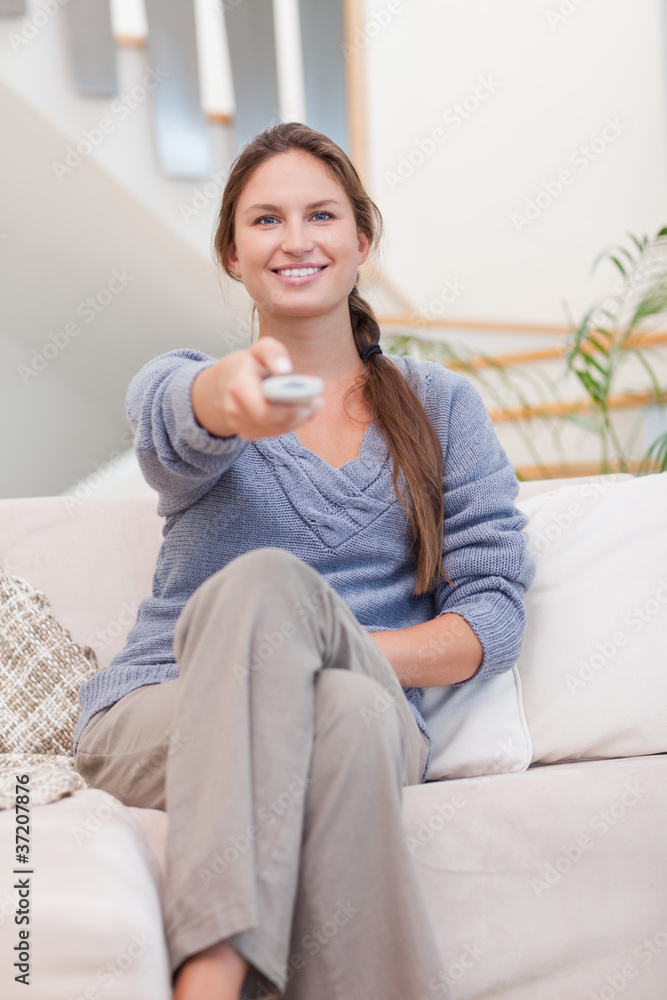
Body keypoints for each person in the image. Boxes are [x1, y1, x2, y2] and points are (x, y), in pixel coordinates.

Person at [73, 121, 536, 1000]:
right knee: (297, 637)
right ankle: (219, 967)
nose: (294, 240)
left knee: (342, 690)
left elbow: (492, 615)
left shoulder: (440, 406)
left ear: (361, 240)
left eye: (320, 215)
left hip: (368, 697)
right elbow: (181, 414)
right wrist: (227, 401)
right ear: (230, 253)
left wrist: (322, 643)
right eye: (264, 221)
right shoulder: (187, 384)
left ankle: (212, 971)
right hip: (165, 710)